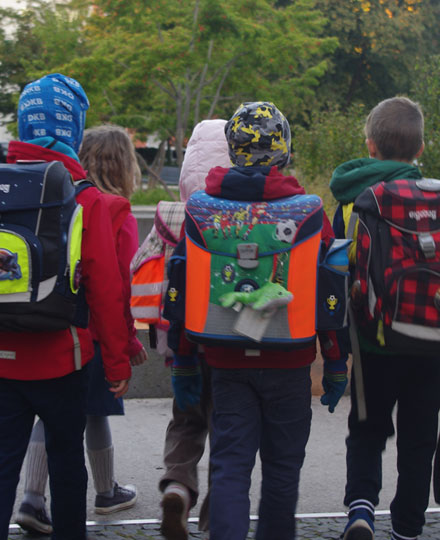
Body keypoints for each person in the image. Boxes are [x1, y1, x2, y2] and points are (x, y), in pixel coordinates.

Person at [164, 101, 349, 540]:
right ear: (284, 151)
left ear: (234, 151)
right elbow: (329, 291)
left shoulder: (201, 210)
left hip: (226, 359)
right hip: (291, 359)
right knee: (283, 469)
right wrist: (336, 361)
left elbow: (181, 288)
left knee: (230, 465)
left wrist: (186, 361)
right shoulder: (308, 211)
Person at [0, 73, 131, 540]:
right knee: (67, 462)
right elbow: (106, 292)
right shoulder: (87, 199)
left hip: (2, 361)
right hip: (63, 358)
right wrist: (116, 361)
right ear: (73, 128)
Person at [15, 125, 148, 534]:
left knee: (50, 417)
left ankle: (33, 498)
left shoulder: (56, 201)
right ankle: (100, 491)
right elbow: (116, 287)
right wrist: (123, 347)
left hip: (50, 328)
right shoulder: (113, 209)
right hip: (89, 338)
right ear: (125, 164)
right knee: (82, 418)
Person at [329, 96, 440, 540]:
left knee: (367, 429)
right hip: (432, 341)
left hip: (373, 339)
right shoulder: (434, 196)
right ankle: (409, 526)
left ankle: (360, 508)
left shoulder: (355, 200)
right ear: (421, 148)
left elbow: (337, 275)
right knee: (419, 438)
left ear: (370, 146)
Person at [131, 119, 231, 540]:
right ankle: (217, 518)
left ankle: (176, 487)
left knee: (185, 422)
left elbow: (138, 266)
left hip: (179, 345)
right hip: (228, 341)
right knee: (228, 428)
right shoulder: (237, 216)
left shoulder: (170, 215)